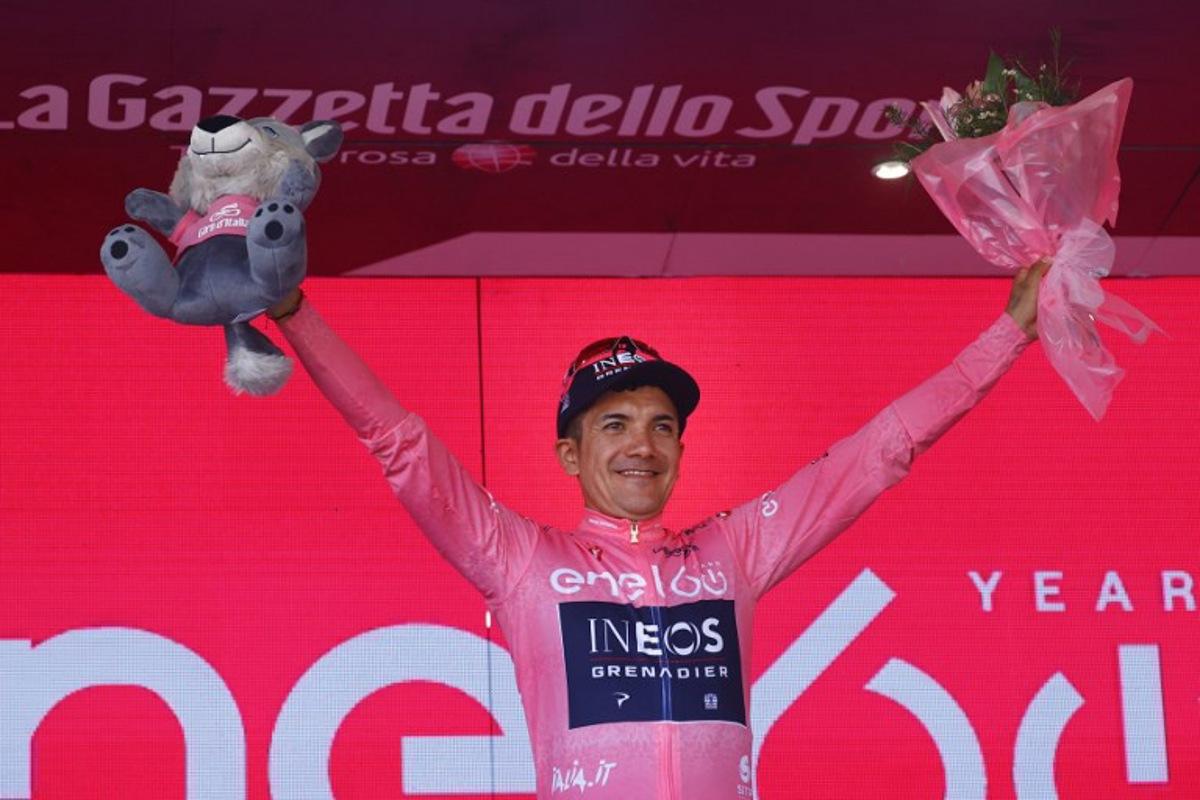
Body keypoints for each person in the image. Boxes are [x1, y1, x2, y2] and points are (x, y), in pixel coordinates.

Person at [265, 261, 1049, 799]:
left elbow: (882, 449)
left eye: (661, 426)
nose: (642, 445)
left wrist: (1010, 333)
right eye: (615, 424)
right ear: (569, 453)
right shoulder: (520, 559)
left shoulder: (733, 551)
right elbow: (398, 442)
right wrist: (296, 313)